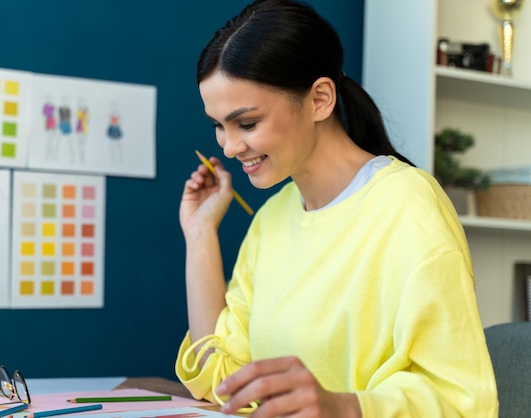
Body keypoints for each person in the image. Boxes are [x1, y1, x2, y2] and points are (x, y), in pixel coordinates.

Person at [175, 0, 499, 416]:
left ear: (320, 99)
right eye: (219, 125)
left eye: (248, 123)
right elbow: (222, 381)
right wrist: (200, 234)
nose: (230, 146)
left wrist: (342, 408)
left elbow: (462, 401)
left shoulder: (408, 206)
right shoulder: (272, 219)